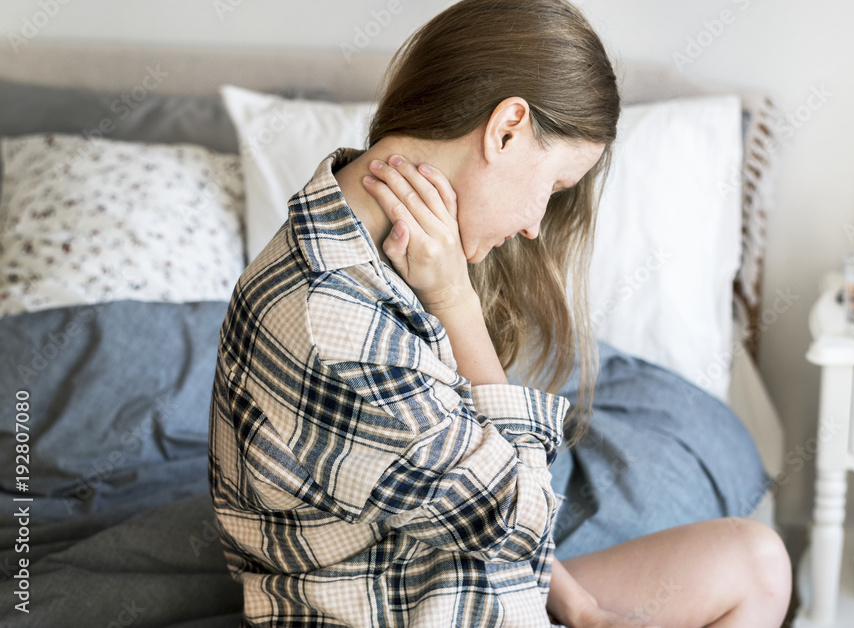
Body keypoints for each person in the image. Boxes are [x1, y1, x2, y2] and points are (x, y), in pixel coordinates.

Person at [208, 0, 792, 626]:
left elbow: (479, 477)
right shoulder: (339, 317)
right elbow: (519, 517)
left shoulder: (354, 225)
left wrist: (581, 607)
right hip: (404, 608)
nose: (536, 226)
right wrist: (457, 303)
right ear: (506, 128)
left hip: (441, 579)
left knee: (754, 560)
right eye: (553, 187)